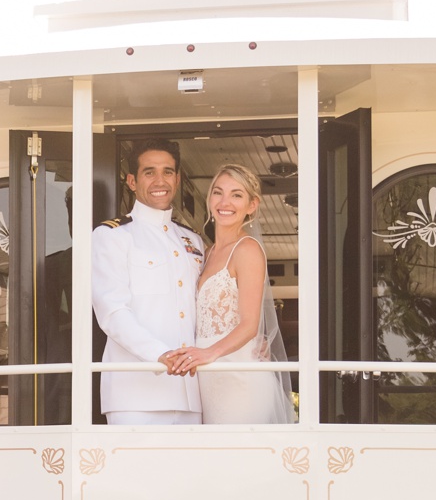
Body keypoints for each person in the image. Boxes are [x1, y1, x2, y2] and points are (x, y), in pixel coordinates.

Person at [163, 164, 290, 424]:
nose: (225, 202)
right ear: (209, 199)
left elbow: (249, 326)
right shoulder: (206, 252)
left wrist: (209, 353)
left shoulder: (247, 250)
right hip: (208, 382)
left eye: (237, 195)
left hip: (239, 379)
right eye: (218, 192)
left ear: (251, 205)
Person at [91, 140, 203, 425]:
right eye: (149, 172)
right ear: (132, 181)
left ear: (177, 180)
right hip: (134, 395)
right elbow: (112, 312)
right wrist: (160, 355)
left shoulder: (193, 240)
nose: (160, 181)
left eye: (168, 172)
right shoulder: (113, 236)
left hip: (191, 393)